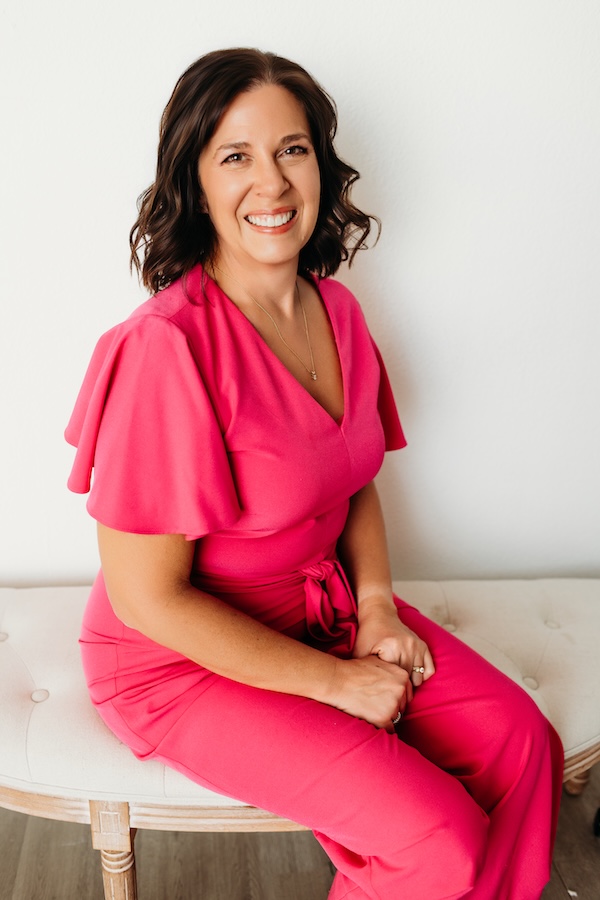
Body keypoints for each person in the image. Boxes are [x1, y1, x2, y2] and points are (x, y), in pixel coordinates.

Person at [66, 48, 563, 899]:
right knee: (434, 839)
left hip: (323, 612)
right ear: (194, 181)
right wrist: (339, 683)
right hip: (178, 661)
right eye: (236, 155)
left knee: (523, 745)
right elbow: (151, 599)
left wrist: (374, 607)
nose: (273, 183)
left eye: (292, 150)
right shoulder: (166, 348)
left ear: (323, 170)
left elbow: (353, 482)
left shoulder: (339, 310)